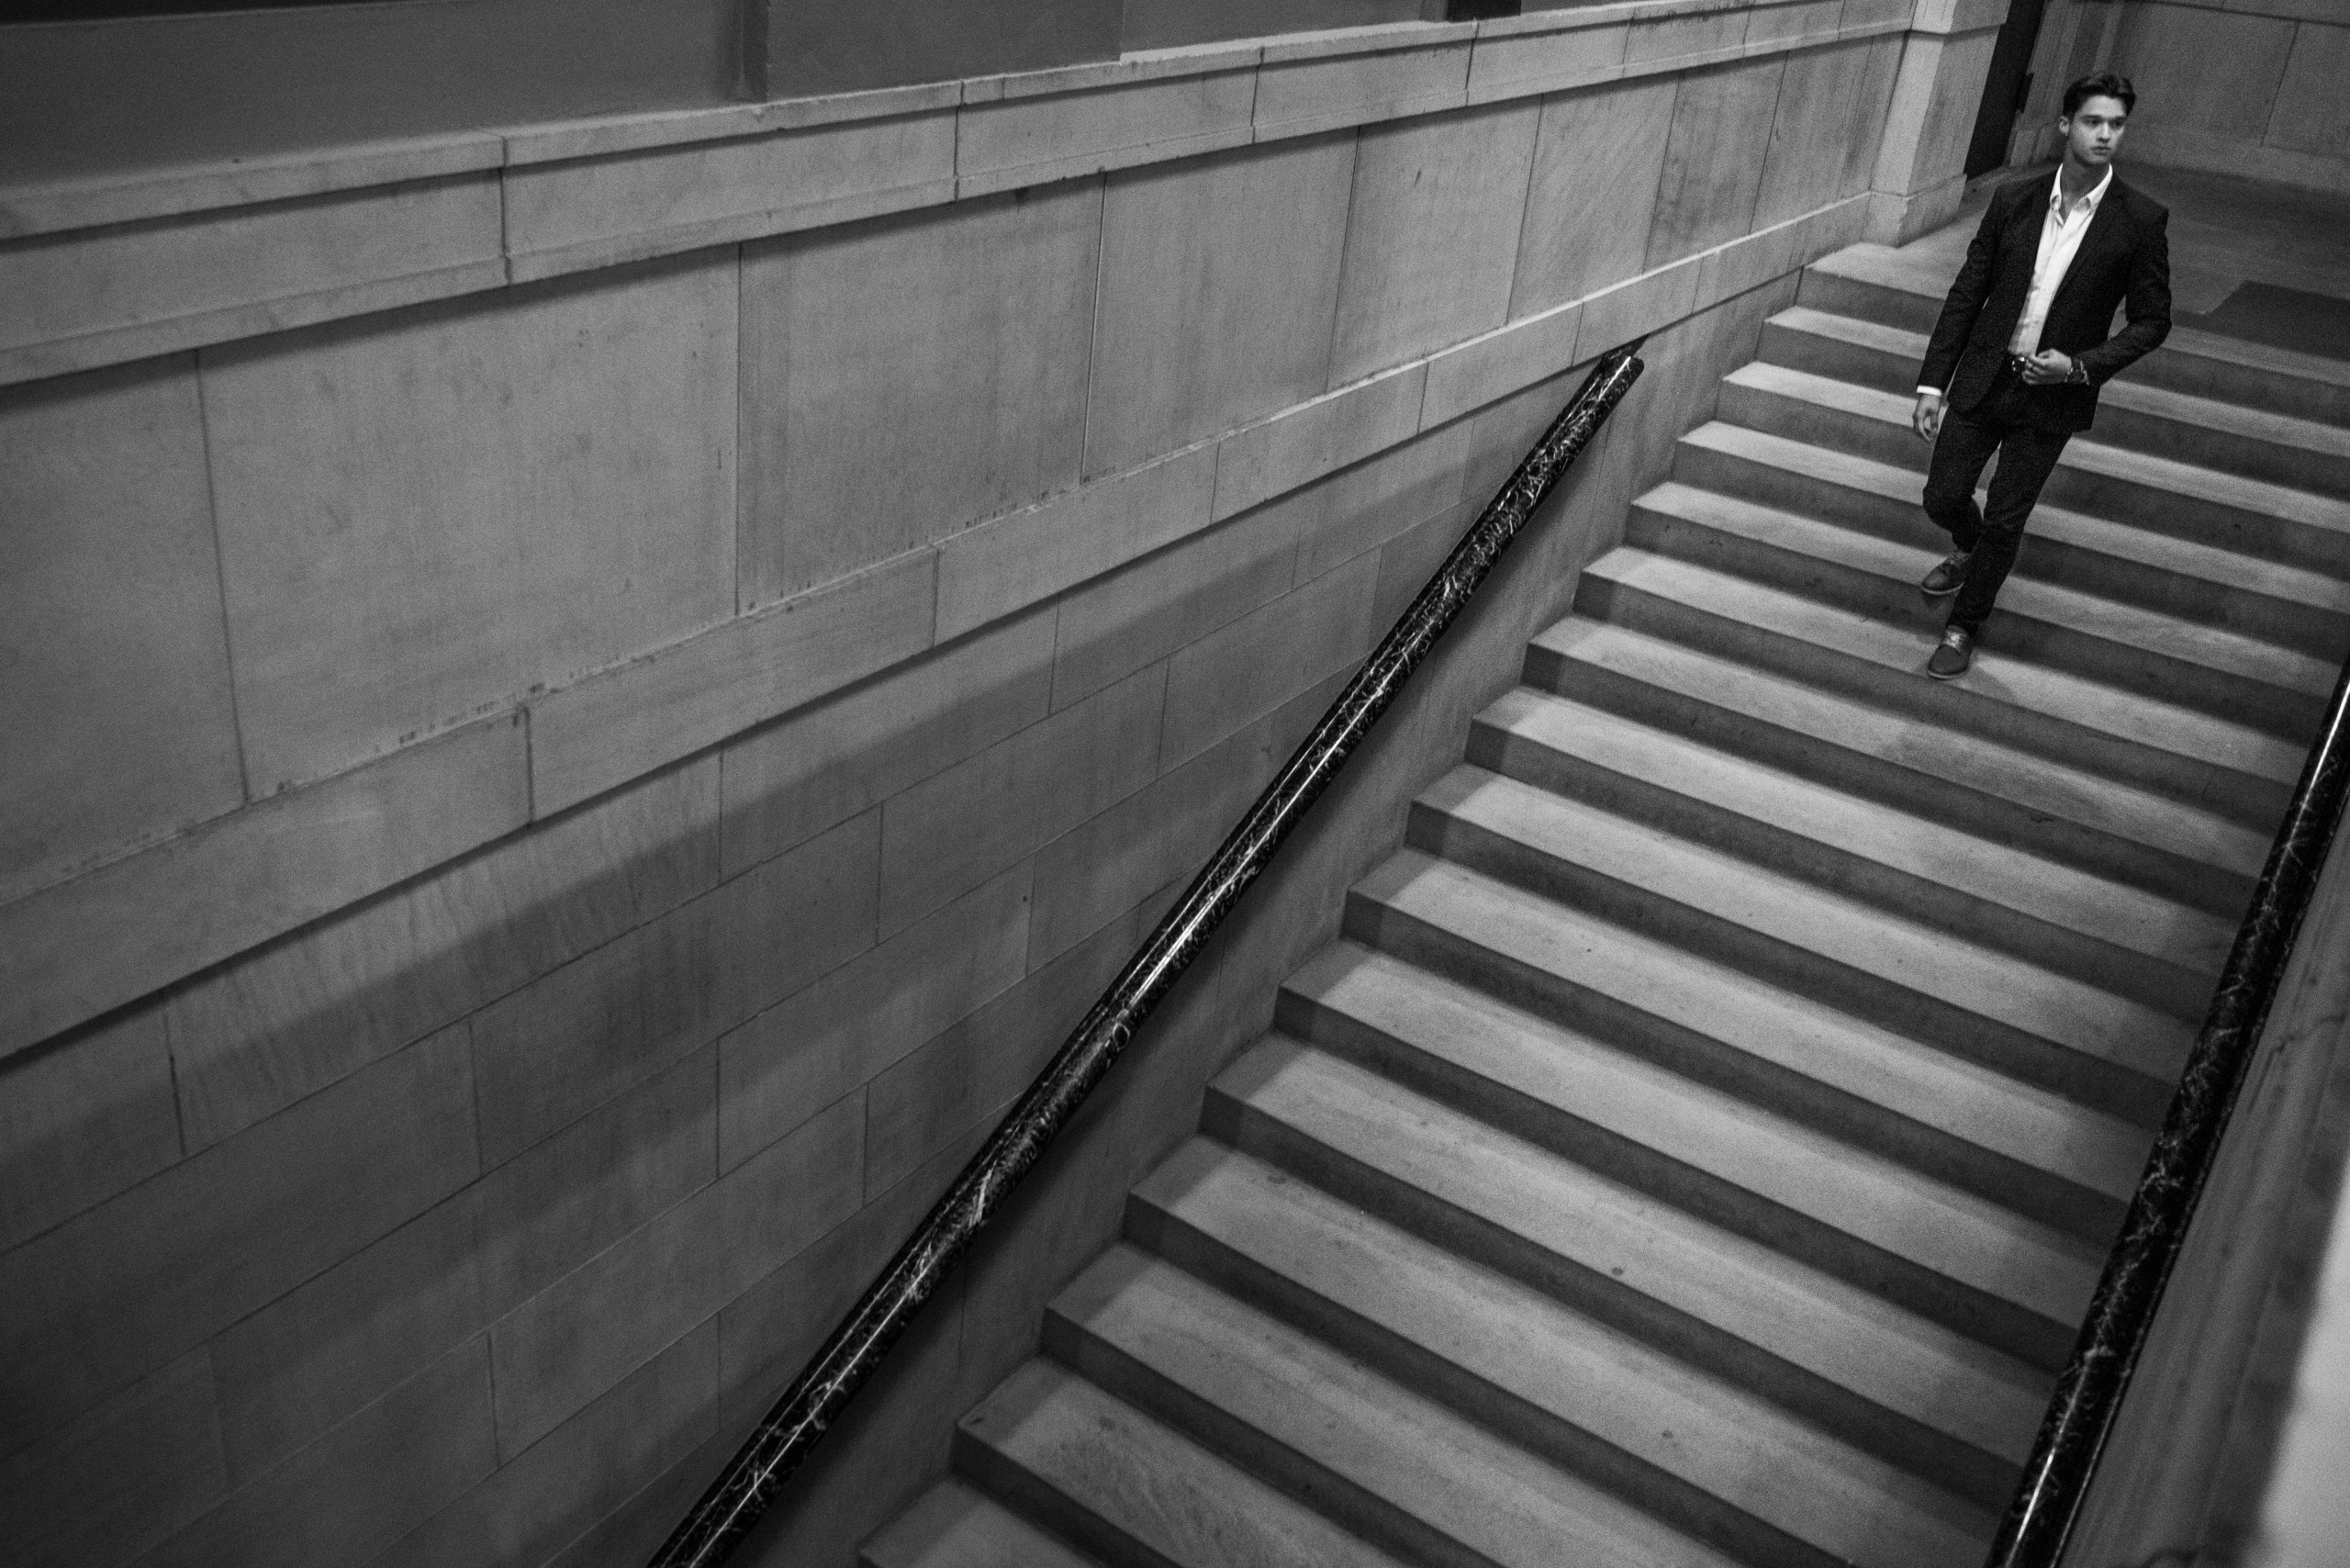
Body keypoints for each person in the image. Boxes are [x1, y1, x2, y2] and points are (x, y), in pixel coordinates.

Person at [1911, 72, 2171, 679]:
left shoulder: (2140, 220)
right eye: (2093, 121)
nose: (2106, 134)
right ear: (2065, 125)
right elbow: (1966, 295)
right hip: (1983, 377)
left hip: (2051, 395)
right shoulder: (2013, 201)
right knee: (1942, 495)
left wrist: (2079, 367)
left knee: (2007, 517)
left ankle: (1963, 626)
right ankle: (1967, 546)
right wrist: (1932, 383)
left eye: (2116, 124)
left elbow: (2152, 322)